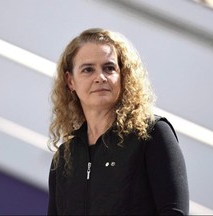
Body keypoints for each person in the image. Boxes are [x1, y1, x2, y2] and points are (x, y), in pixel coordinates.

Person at [47, 28, 189, 215]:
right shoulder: (65, 158)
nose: (100, 77)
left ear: (123, 76)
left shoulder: (152, 133)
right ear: (70, 81)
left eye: (109, 68)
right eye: (88, 70)